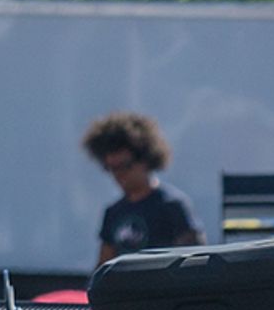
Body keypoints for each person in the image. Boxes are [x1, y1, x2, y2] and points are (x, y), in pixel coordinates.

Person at [84, 111, 201, 268]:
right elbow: (104, 267)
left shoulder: (172, 205)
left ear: (146, 160)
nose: (119, 175)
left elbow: (193, 260)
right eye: (112, 168)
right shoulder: (113, 213)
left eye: (125, 166)